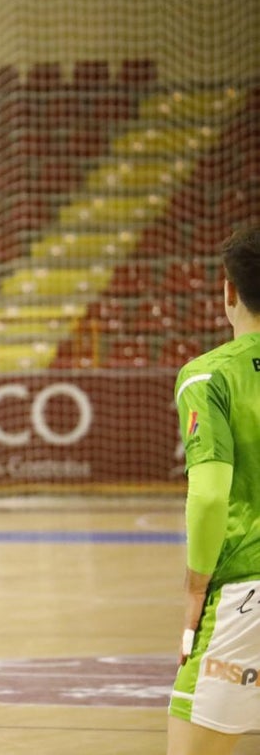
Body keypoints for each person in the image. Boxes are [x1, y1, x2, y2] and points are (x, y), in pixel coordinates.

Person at [168, 225, 260, 755]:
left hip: (245, 592)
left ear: (228, 292)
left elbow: (208, 495)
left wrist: (195, 589)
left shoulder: (209, 377)